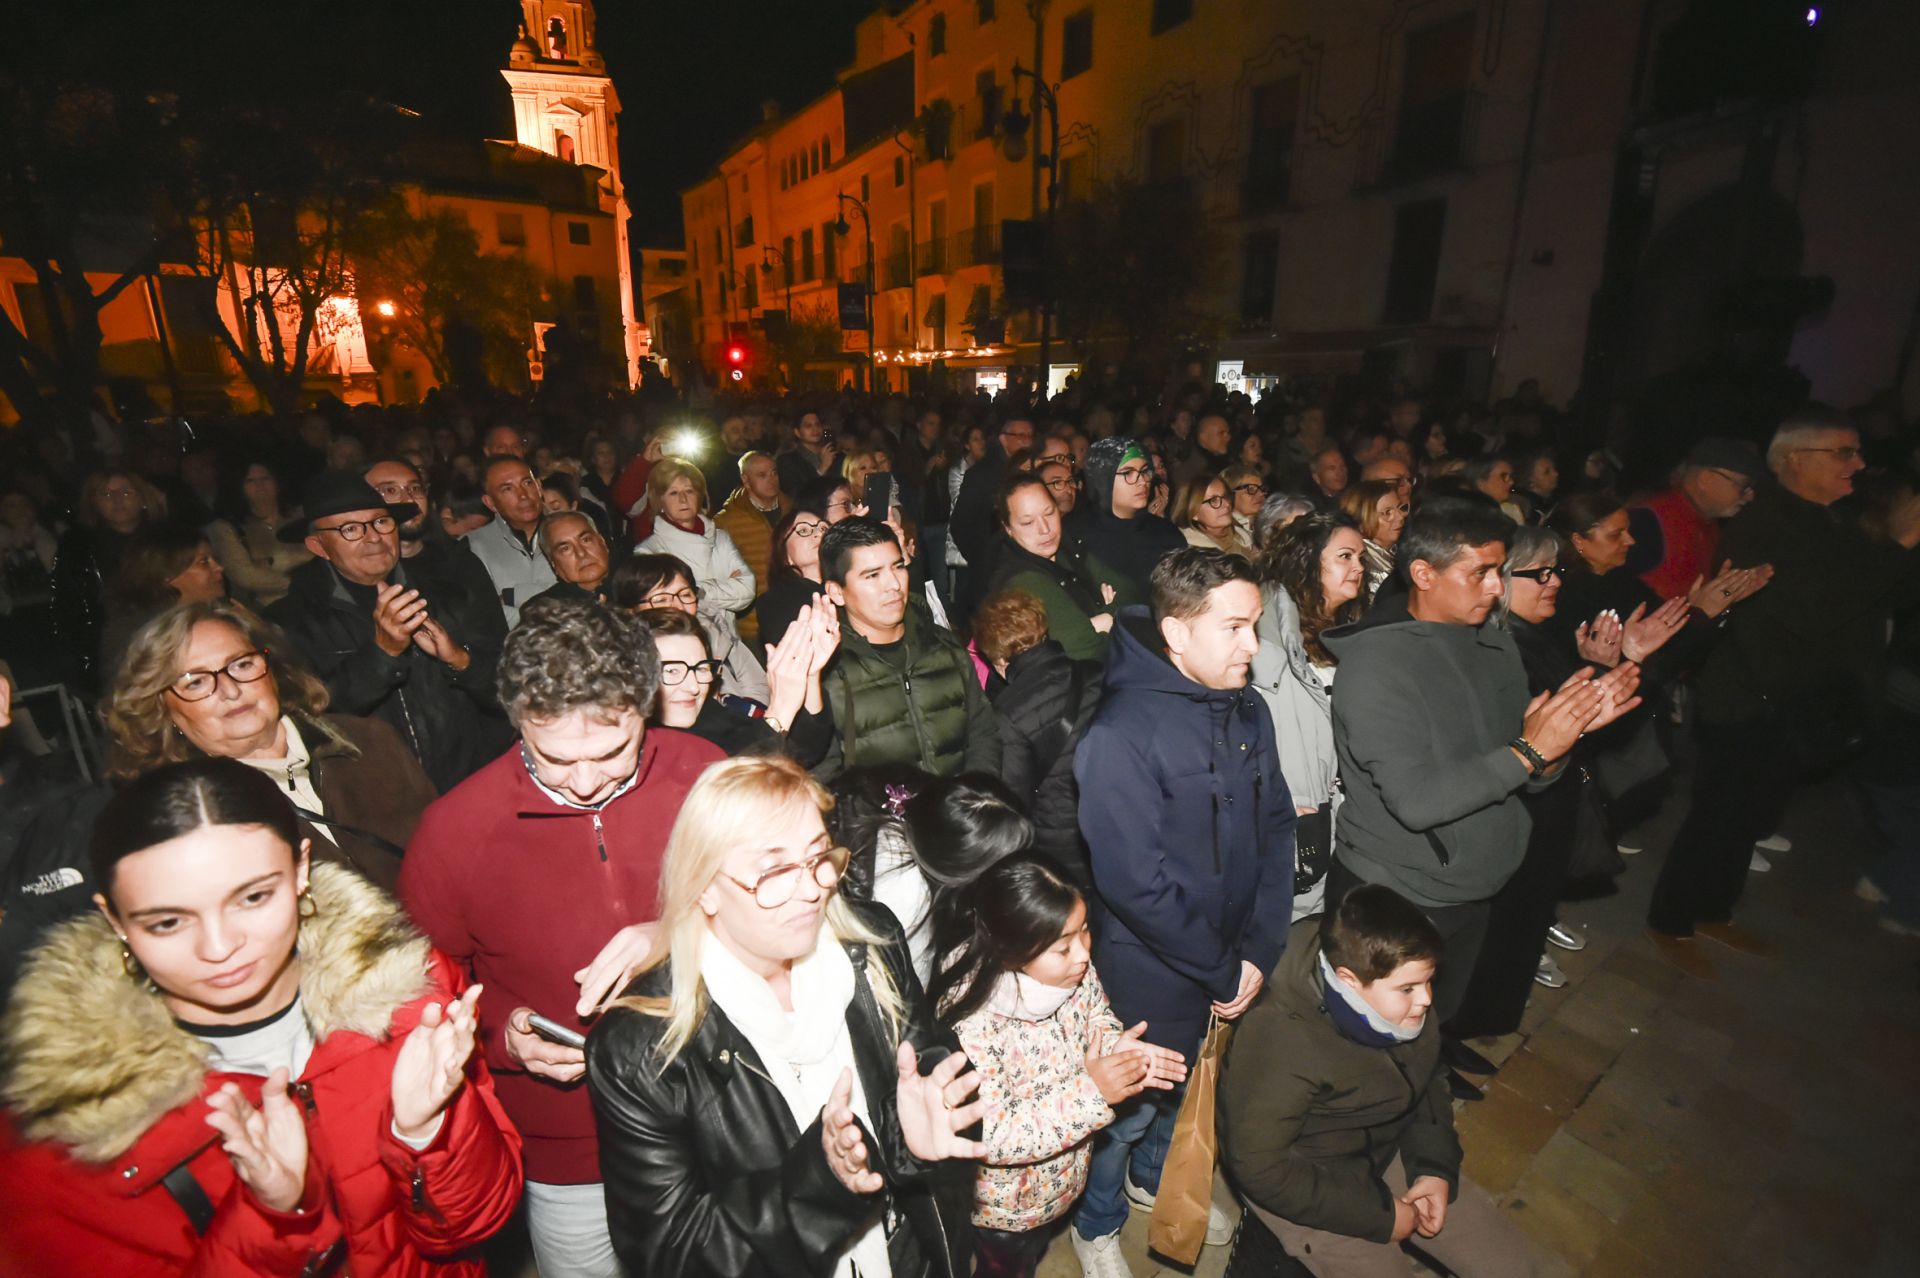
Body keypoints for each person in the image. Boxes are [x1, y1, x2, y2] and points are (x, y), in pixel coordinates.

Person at [0, 758, 522, 1277]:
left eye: (253, 897)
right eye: (167, 921)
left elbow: (475, 1225)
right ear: (114, 918)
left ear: (300, 872)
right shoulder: (68, 1119)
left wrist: (428, 1132)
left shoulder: (411, 992)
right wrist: (272, 1217)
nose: (221, 946)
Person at [400, 597, 724, 1278]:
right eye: (553, 758)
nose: (583, 783)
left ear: (647, 707)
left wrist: (675, 932)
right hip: (570, 1143)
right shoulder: (454, 831)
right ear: (519, 721)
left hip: (720, 1106)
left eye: (610, 754)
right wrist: (503, 1033)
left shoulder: (705, 775)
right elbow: (422, 995)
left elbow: (782, 911)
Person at [585, 755, 985, 1278]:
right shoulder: (639, 1048)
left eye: (819, 856)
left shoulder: (872, 943)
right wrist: (820, 1186)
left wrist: (922, 1124)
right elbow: (671, 1254)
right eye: (773, 870)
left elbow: (920, 1065)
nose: (813, 888)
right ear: (704, 886)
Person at [1325, 501, 1639, 1091]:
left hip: (1479, 882)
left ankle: (1429, 1075)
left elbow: (1529, 771)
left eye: (1501, 572)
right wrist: (1531, 749)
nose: (1497, 588)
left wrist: (1559, 741)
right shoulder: (1376, 667)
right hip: (1404, 889)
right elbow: (1418, 802)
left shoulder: (1493, 648)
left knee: (1434, 1017)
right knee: (1368, 1051)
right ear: (1423, 574)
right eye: (1481, 573)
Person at [1070, 548, 1298, 1272]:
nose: (1253, 646)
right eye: (1234, 627)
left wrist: (1260, 949)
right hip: (1152, 972)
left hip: (1232, 959)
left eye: (1255, 625)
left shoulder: (1247, 707)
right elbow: (1137, 887)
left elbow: (1278, 828)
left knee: (1194, 1087)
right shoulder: (1118, 736)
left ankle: (1152, 1180)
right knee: (1130, 1108)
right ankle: (1095, 1222)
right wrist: (1224, 969)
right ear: (1175, 634)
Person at [1650, 407, 1920, 960]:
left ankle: (1713, 911)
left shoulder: (1833, 519)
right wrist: (1904, 543)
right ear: (1796, 459)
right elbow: (1817, 609)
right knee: (1717, 817)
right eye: (1843, 452)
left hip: (1794, 707)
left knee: (1748, 820)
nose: (1858, 464)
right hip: (1749, 700)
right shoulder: (1765, 521)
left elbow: (1877, 596)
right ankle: (1671, 919)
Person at [1219, 886, 1537, 1278]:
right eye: (1408, 989)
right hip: (1308, 1183)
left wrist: (1433, 1168)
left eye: (1428, 981)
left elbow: (1429, 1077)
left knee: (1512, 1268)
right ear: (1349, 982)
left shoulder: (1397, 995)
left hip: (1385, 1148)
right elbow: (1262, 1169)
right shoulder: (1279, 1038)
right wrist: (1383, 1218)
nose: (1425, 1000)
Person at [933, 855, 1188, 1278]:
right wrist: (1095, 1093)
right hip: (1005, 1211)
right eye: (1064, 946)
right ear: (1010, 952)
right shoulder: (970, 1021)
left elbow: (1097, 1017)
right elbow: (991, 1134)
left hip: (1064, 1175)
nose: (1084, 953)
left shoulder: (1072, 973)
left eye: (1085, 930)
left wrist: (1114, 1050)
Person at [104, 599, 437, 893]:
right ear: (162, 708)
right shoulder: (188, 819)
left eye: (242, 664)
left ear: (272, 670)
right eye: (197, 682)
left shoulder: (369, 741)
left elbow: (446, 855)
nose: (231, 691)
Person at [1451, 526, 1620, 1022]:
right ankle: (1463, 1032)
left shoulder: (1529, 637)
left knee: (1513, 932)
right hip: (1517, 815)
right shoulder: (1498, 647)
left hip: (1540, 810)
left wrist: (1599, 667)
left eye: (1557, 571)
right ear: (1498, 580)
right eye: (1540, 573)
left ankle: (1475, 1027)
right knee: (1495, 936)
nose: (1554, 583)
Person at [267, 473, 508, 793]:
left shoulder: (451, 595)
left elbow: (509, 691)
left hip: (471, 787)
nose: (373, 537)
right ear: (318, 545)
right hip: (378, 801)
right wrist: (382, 655)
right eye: (350, 529)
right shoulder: (291, 622)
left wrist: (460, 659)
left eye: (381, 522)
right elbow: (307, 723)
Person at [816, 518, 1002, 778]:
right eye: (872, 575)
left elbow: (982, 730)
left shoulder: (942, 644)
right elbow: (823, 775)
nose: (893, 584)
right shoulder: (825, 672)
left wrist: (975, 798)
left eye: (898, 566)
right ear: (836, 592)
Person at [1251, 514, 1367, 924]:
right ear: (1307, 560)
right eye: (1345, 556)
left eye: (1361, 557)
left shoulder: (1351, 627)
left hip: (1345, 799)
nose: (1358, 567)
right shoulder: (1268, 633)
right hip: (1301, 802)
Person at [974, 589, 1104, 880]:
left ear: (999, 660)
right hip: (1113, 823)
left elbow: (1014, 802)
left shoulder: (1007, 714)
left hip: (1062, 850)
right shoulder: (1096, 673)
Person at [635, 602, 836, 762]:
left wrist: (808, 673)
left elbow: (800, 753)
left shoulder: (708, 715)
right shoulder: (633, 744)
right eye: (671, 671)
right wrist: (780, 711)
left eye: (701, 669)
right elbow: (734, 787)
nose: (694, 687)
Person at [986, 473, 1126, 662]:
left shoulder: (1067, 547)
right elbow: (1085, 651)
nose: (1045, 529)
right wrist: (1109, 615)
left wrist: (1104, 620)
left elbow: (1132, 592)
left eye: (1049, 513)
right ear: (1008, 529)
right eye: (1028, 522)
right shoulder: (1022, 581)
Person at [610, 552, 770, 705]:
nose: (678, 607)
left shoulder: (714, 630)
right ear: (630, 611)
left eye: (685, 595)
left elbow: (758, 685)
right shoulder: (632, 665)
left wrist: (751, 718)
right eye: (660, 600)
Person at [636, 457, 758, 656]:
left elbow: (747, 589)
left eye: (689, 491)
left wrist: (698, 591)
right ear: (660, 501)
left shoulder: (721, 538)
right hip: (683, 653)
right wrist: (725, 586)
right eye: (673, 493)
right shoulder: (649, 552)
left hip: (733, 649)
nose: (683, 499)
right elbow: (669, 609)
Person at [1626, 437, 1764, 599]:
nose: (1750, 497)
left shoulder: (1711, 527)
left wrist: (1727, 595)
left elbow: (1703, 605)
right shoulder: (1648, 522)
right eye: (1743, 486)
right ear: (1706, 479)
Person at [98, 523, 228, 680]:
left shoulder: (223, 610)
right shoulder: (143, 634)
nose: (219, 567)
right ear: (167, 575)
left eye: (215, 559)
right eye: (203, 562)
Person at [1075, 438, 1186, 603]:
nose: (1142, 481)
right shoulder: (1077, 534)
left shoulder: (1166, 533)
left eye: (1145, 471)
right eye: (1128, 473)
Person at [466, 455, 557, 627]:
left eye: (527, 483)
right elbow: (482, 613)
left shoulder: (572, 529)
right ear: (490, 502)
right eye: (507, 489)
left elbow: (585, 591)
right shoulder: (473, 546)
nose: (523, 495)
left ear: (539, 486)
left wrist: (512, 595)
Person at [207, 458, 310, 608]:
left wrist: (267, 563)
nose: (260, 485)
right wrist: (298, 582)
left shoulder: (301, 515)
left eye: (265, 478)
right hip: (268, 608)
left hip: (315, 598)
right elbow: (244, 575)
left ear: (277, 483)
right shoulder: (226, 528)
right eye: (250, 481)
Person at [711, 449, 790, 644]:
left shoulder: (794, 512)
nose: (771, 479)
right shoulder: (726, 521)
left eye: (774, 472)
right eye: (762, 475)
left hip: (794, 616)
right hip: (753, 625)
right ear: (746, 480)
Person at [757, 505, 831, 650]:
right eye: (803, 530)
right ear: (785, 555)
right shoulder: (775, 602)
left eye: (823, 528)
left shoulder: (848, 585)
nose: (818, 534)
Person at [1339, 479, 1408, 600]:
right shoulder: (1364, 566)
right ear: (1361, 519)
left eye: (1400, 508)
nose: (1400, 516)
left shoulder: (1400, 549)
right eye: (1387, 512)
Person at [531, 509, 614, 605]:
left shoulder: (634, 584)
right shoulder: (543, 611)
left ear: (603, 543)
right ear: (553, 564)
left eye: (586, 540)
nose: (581, 553)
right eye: (565, 548)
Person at [1174, 473, 1256, 558]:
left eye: (1225, 496)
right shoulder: (1193, 553)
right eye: (1214, 500)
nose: (1227, 504)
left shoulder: (1242, 537)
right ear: (1194, 513)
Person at [777, 409, 839, 499]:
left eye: (817, 424)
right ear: (797, 432)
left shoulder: (833, 455)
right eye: (808, 426)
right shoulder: (787, 461)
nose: (815, 429)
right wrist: (821, 470)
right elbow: (796, 495)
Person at [1222, 463, 1268, 544]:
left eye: (1262, 489)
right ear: (1230, 493)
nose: (1261, 494)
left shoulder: (1269, 525)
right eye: (1251, 489)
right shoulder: (1225, 532)